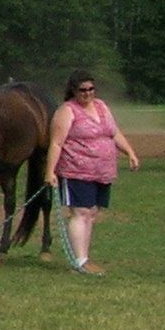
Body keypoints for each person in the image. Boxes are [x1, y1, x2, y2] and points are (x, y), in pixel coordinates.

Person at [40, 71, 138, 275]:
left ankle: (84, 258)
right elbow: (56, 143)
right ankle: (80, 260)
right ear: (74, 91)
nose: (87, 94)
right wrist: (50, 172)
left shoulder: (102, 107)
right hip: (76, 170)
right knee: (81, 212)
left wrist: (129, 152)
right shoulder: (67, 111)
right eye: (83, 90)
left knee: (92, 213)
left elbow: (114, 132)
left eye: (91, 89)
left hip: (102, 171)